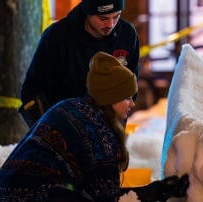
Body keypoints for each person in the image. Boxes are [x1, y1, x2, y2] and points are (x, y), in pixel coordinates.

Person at [0, 52, 188, 201]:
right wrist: (160, 190)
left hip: (0, 193)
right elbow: (109, 200)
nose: (132, 104)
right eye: (127, 97)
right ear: (110, 98)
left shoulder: (67, 106)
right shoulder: (98, 135)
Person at [19, 0, 140, 128]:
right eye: (103, 18)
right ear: (87, 12)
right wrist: (49, 132)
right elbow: (31, 92)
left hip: (110, 128)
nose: (110, 24)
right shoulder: (56, 37)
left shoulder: (127, 35)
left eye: (116, 16)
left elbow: (130, 88)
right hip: (64, 128)